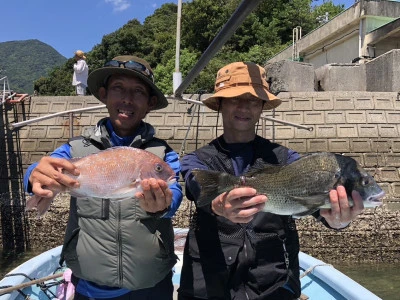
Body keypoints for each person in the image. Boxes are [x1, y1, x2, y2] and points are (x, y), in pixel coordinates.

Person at [177, 62, 364, 300]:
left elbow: (318, 207)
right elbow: (197, 185)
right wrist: (217, 205)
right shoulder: (196, 159)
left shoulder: (288, 160)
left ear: (262, 107)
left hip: (273, 285)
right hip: (208, 286)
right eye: (235, 98)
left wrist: (338, 220)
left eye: (254, 100)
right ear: (220, 104)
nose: (244, 106)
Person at [24, 55, 183, 300]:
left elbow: (175, 194)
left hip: (150, 287)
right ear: (103, 94)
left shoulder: (163, 154)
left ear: (150, 103)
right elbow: (48, 165)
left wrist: (163, 205)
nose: (127, 99)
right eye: (118, 88)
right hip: (88, 289)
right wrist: (33, 174)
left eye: (138, 91)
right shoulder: (74, 149)